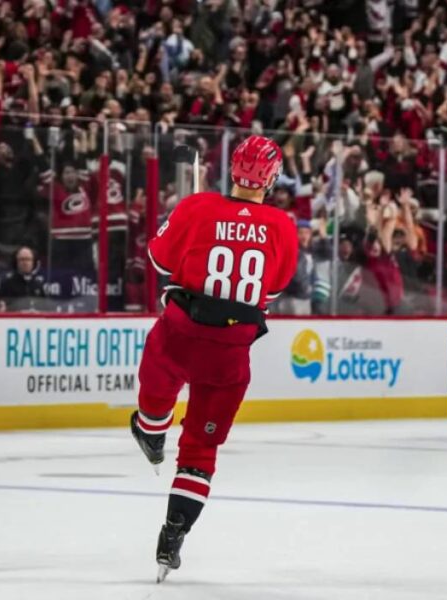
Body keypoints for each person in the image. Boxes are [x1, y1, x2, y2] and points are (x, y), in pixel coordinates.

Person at [130, 135, 298, 582]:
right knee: (200, 451)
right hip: (230, 355)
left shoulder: (198, 206)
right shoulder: (282, 225)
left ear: (233, 168)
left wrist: (195, 232)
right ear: (272, 177)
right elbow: (274, 289)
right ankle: (173, 535)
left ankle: (150, 430)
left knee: (156, 389)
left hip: (181, 333)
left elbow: (157, 258)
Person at [0, 246, 47, 311]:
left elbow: (45, 307)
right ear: (16, 262)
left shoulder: (38, 285)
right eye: (22, 259)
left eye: (28, 259)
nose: (25, 263)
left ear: (33, 262)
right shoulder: (7, 284)